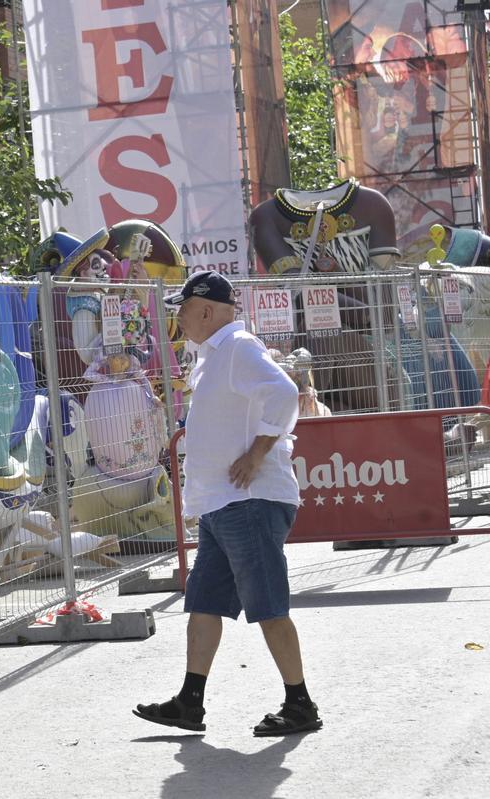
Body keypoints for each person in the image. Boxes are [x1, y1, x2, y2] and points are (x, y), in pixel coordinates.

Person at [133, 270, 322, 737]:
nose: (179, 317)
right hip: (225, 504)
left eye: (183, 308)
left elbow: (282, 392)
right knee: (204, 603)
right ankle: (189, 702)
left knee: (268, 605)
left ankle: (300, 704)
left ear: (205, 309)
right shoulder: (213, 357)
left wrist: (257, 453)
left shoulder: (238, 347)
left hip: (249, 501)